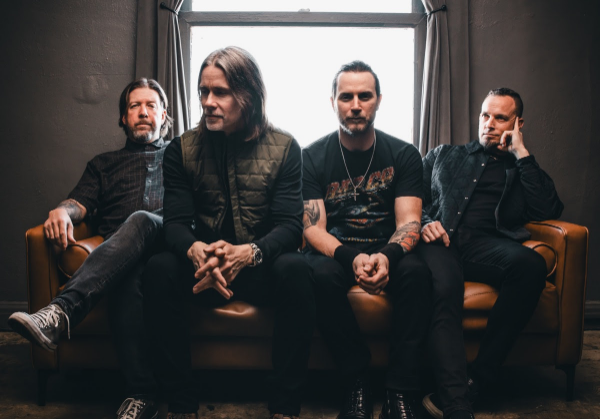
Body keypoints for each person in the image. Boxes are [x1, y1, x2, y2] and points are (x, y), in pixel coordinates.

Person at [142, 46, 315, 419]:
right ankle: (181, 403)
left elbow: (289, 226)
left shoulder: (285, 147)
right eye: (203, 91)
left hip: (259, 269)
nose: (207, 102)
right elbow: (175, 223)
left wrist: (248, 253)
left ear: (248, 95)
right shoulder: (181, 149)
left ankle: (285, 406)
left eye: (219, 92)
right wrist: (196, 252)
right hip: (205, 272)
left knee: (297, 269)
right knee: (159, 268)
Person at [9, 78, 173, 419]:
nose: (143, 112)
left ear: (163, 115)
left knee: (142, 219)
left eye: (151, 105)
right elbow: (78, 203)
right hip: (120, 256)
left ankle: (61, 312)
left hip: (168, 242)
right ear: (123, 118)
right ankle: (141, 395)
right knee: (126, 280)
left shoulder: (181, 157)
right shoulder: (104, 164)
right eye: (134, 106)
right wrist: (60, 211)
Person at [419, 88, 564, 419]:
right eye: (486, 115)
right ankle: (453, 396)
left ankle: (478, 380)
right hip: (441, 242)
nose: (489, 123)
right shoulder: (443, 154)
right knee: (445, 287)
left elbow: (548, 208)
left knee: (531, 265)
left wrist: (521, 153)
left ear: (517, 124)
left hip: (486, 245)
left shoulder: (522, 168)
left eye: (500, 118)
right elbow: (413, 197)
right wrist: (426, 223)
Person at [302, 60, 431, 419]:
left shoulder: (403, 154)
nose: (356, 105)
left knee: (418, 274)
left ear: (379, 100)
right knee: (319, 276)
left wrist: (387, 256)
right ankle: (356, 383)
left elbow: (410, 223)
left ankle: (400, 391)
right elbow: (312, 227)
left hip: (387, 246)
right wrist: (349, 257)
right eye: (346, 97)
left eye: (365, 96)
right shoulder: (312, 156)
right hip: (337, 250)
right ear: (333, 102)